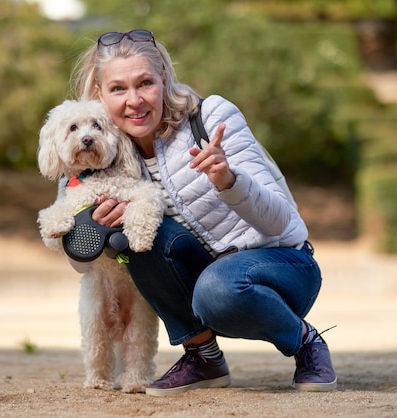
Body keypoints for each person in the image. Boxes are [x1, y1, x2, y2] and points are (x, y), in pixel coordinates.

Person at [70, 29, 337, 397]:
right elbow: (83, 264)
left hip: (282, 267)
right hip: (205, 279)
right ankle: (203, 357)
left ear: (164, 79)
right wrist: (95, 232)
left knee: (217, 288)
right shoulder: (97, 152)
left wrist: (230, 181)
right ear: (100, 94)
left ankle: (306, 342)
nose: (134, 100)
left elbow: (283, 223)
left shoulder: (211, 116)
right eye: (118, 89)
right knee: (134, 233)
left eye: (145, 83)